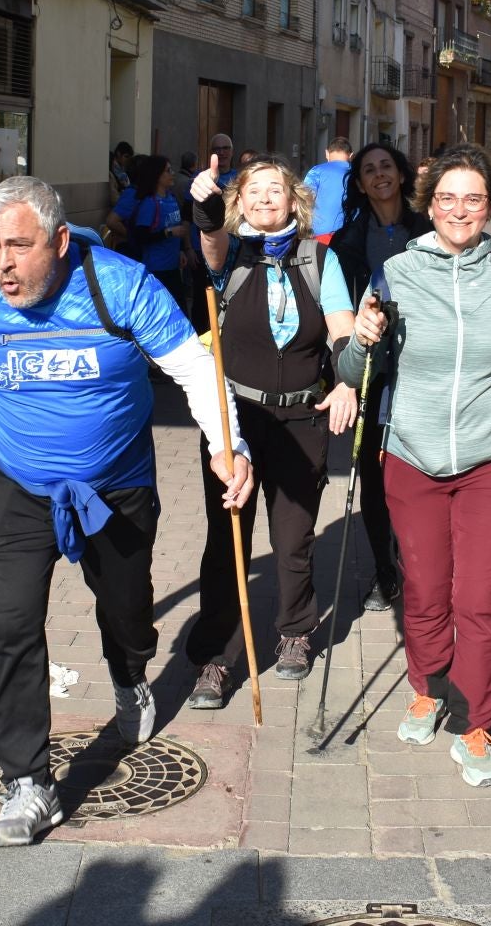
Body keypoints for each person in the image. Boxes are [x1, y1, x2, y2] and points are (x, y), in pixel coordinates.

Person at [0, 177, 254, 848]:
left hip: (114, 486)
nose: (3, 264)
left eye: (19, 246)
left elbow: (190, 367)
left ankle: (130, 676)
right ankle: (27, 782)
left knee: (127, 612)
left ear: (61, 241)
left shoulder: (120, 287)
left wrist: (226, 447)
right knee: (10, 625)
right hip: (11, 482)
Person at [340, 146, 491, 790]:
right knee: (427, 590)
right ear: (427, 204)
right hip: (413, 454)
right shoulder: (395, 275)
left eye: (473, 199)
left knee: (480, 598)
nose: (459, 210)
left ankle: (474, 720)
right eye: (446, 199)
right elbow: (355, 375)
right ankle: (429, 685)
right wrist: (361, 340)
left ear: (490, 207)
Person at [184, 154, 356, 708]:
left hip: (303, 418)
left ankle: (294, 631)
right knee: (227, 536)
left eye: (274, 190)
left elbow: (341, 330)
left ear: (294, 200)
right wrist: (207, 207)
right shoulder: (231, 253)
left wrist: (347, 379)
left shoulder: (318, 259)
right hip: (235, 419)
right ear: (240, 202)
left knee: (294, 537)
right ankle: (216, 656)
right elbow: (210, 242)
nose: (263, 199)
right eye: (252, 191)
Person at [327, 142, 431, 612]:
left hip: (423, 368)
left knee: (419, 475)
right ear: (360, 182)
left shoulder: (428, 229)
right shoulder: (348, 241)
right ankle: (385, 573)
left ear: (401, 173)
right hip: (372, 369)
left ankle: (420, 570)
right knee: (372, 477)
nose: (379, 175)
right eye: (368, 170)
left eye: (386, 166)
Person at [105, 154, 185, 301]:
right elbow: (141, 236)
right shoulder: (149, 203)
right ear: (157, 176)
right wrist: (168, 233)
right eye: (168, 170)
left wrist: (181, 251)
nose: (172, 174)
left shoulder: (171, 198)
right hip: (157, 269)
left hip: (173, 267)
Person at [304, 138, 353, 242]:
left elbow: (306, 199)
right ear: (351, 155)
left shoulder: (316, 171)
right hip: (352, 233)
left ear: (327, 153)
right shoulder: (358, 173)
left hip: (321, 234)